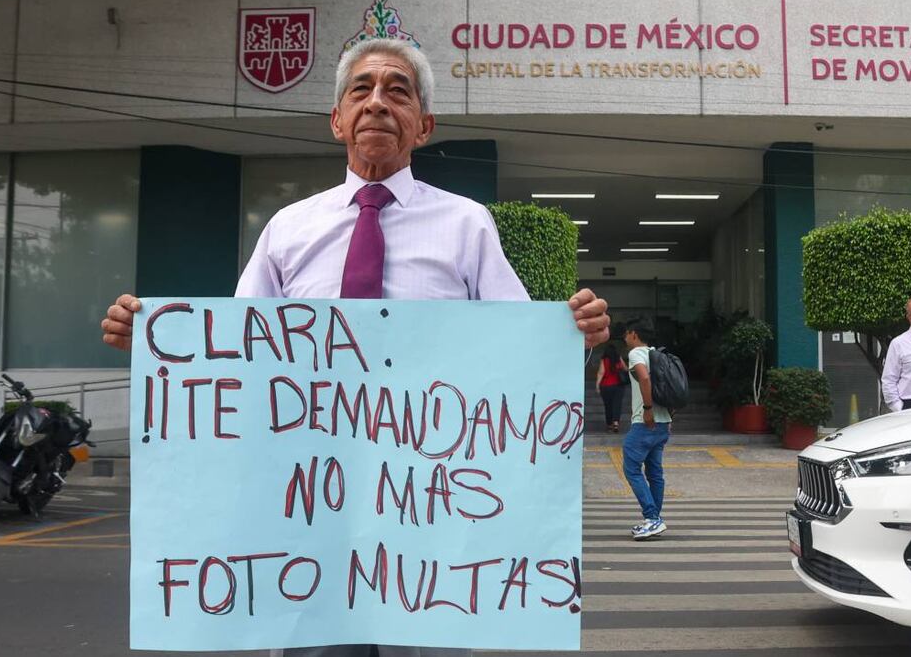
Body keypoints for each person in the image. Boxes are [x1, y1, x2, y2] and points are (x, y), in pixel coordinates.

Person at [101, 38, 610, 657]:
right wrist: (159, 346)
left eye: (398, 91)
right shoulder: (289, 228)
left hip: (428, 525)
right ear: (337, 119)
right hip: (307, 517)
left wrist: (572, 337)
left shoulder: (468, 225)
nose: (377, 103)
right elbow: (235, 355)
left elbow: (520, 360)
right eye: (360, 90)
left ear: (423, 126)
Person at [621, 318, 673, 540]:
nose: (624, 338)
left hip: (645, 421)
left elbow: (644, 378)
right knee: (654, 472)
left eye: (626, 334)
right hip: (663, 423)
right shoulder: (657, 355)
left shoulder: (636, 354)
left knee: (631, 467)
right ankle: (654, 520)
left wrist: (648, 409)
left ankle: (652, 518)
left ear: (634, 334)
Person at [595, 344, 627, 432]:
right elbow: (625, 368)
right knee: (617, 404)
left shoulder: (604, 360)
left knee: (608, 405)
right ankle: (616, 423)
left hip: (606, 386)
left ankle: (609, 424)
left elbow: (601, 372)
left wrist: (597, 385)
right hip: (618, 386)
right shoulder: (618, 358)